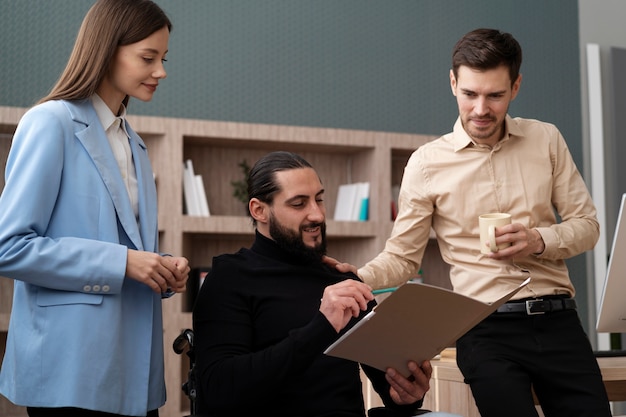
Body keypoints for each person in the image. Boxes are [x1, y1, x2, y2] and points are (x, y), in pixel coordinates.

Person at [330, 28, 610, 417]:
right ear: (453, 82)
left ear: (515, 86)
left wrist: (538, 239)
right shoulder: (426, 163)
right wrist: (360, 278)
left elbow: (588, 225)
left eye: (495, 95)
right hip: (484, 330)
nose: (481, 109)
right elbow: (402, 258)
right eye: (470, 94)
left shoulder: (546, 139)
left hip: (558, 320)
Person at [0, 1, 189, 416]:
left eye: (163, 58)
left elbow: (124, 247)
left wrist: (160, 267)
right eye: (148, 57)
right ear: (107, 49)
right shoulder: (50, 123)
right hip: (70, 370)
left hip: (133, 374)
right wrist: (123, 263)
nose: (161, 71)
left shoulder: (135, 144)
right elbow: (8, 247)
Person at [192, 151, 461, 417]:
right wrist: (322, 327)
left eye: (319, 200)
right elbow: (218, 392)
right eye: (299, 204)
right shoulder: (229, 278)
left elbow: (389, 387)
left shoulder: (342, 280)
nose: (317, 215)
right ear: (259, 210)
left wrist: (407, 394)